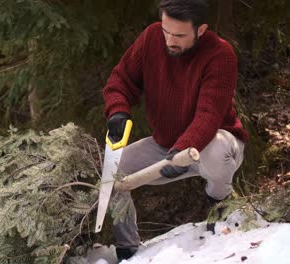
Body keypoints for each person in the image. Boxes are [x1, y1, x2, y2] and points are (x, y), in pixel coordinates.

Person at [102, 0, 250, 261]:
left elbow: (209, 115)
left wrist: (183, 149)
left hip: (216, 143)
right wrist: (117, 110)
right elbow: (120, 80)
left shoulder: (220, 54)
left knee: (215, 150)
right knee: (113, 170)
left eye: (179, 35)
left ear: (201, 30)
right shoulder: (150, 38)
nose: (170, 40)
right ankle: (128, 249)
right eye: (166, 31)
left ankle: (219, 203)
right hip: (166, 145)